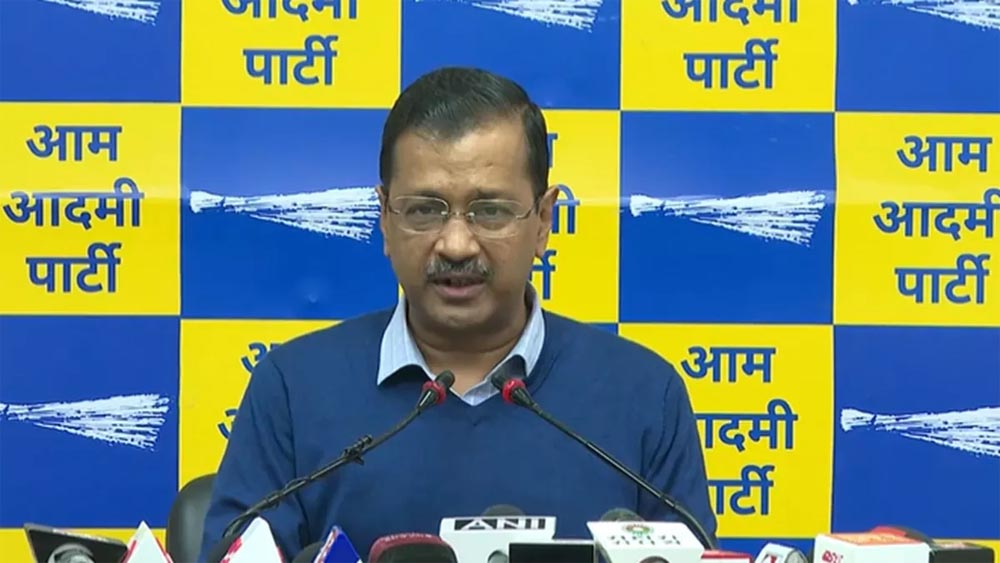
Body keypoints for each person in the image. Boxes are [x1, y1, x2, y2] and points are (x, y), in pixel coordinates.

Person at [198, 66, 717, 561]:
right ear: (384, 218)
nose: (456, 244)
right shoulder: (293, 389)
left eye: (489, 211)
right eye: (425, 210)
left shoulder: (644, 395)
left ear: (543, 221)